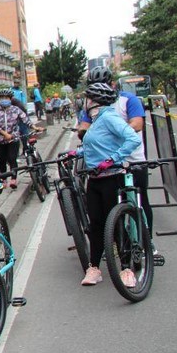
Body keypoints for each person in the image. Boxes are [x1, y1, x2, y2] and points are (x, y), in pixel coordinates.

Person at [66, 83, 141, 286]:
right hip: (95, 179)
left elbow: (132, 139)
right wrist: (77, 153)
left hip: (112, 178)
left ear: (94, 101)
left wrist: (113, 159)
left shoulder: (109, 117)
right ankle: (94, 268)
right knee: (96, 225)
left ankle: (126, 269)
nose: (84, 102)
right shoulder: (96, 121)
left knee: (115, 223)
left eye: (87, 98)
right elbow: (97, 145)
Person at [77, 66, 155, 255]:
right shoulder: (92, 107)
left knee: (140, 201)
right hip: (106, 166)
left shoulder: (129, 100)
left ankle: (147, 241)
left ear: (112, 84)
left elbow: (137, 124)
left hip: (132, 159)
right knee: (107, 209)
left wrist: (111, 135)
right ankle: (117, 244)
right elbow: (84, 128)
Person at [0, 88, 40, 188]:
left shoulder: (15, 110)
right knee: (2, 160)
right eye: (2, 97)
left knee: (12, 158)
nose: (4, 99)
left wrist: (34, 127)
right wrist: (4, 134)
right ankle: (3, 180)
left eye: (6, 97)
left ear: (11, 99)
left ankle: (13, 179)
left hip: (13, 139)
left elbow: (25, 119)